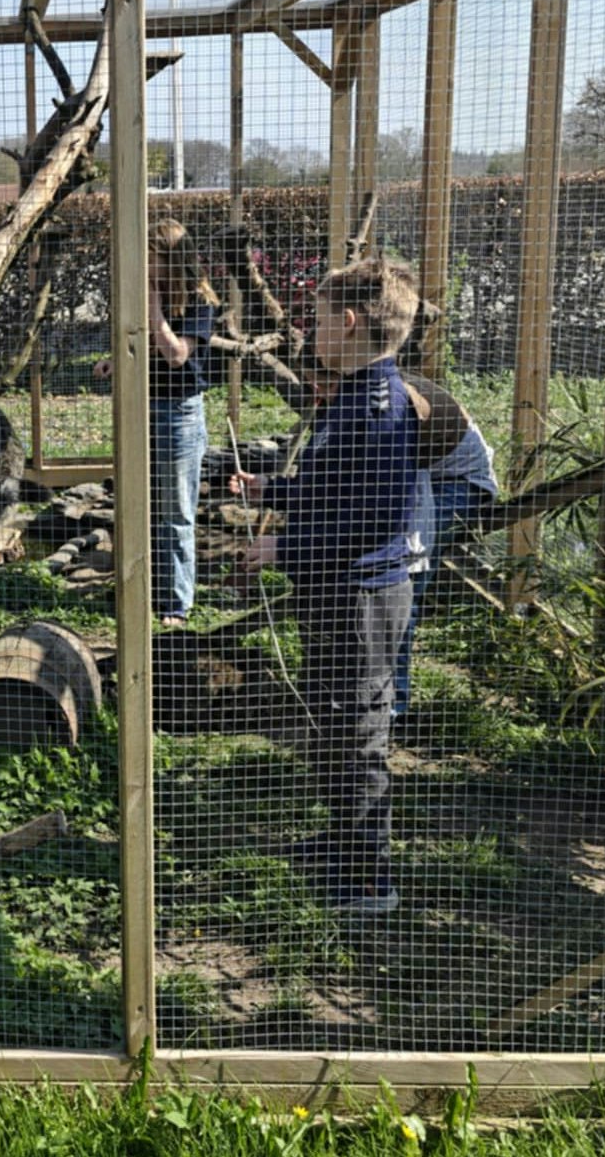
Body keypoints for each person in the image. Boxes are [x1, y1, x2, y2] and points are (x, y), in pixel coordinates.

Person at [231, 256, 421, 915]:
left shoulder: (380, 406)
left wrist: (285, 543)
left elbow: (376, 517)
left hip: (363, 596)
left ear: (346, 323)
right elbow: (333, 487)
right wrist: (272, 490)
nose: (309, 331)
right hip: (335, 592)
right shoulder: (353, 392)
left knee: (362, 732)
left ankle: (370, 881)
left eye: (314, 319)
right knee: (332, 720)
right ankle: (341, 841)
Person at [93, 219, 217, 627]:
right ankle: (138, 590)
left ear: (170, 258)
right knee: (138, 506)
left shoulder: (199, 301)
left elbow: (177, 355)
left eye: (151, 255)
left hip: (179, 415)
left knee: (176, 512)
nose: (144, 264)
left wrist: (154, 309)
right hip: (139, 407)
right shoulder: (146, 291)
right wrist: (116, 361)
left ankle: (177, 603)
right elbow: (139, 345)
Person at [392, 374, 500, 717]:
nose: (316, 394)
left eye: (319, 385)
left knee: (402, 579)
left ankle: (394, 704)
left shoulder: (392, 401)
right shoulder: (354, 389)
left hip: (458, 482)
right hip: (422, 475)